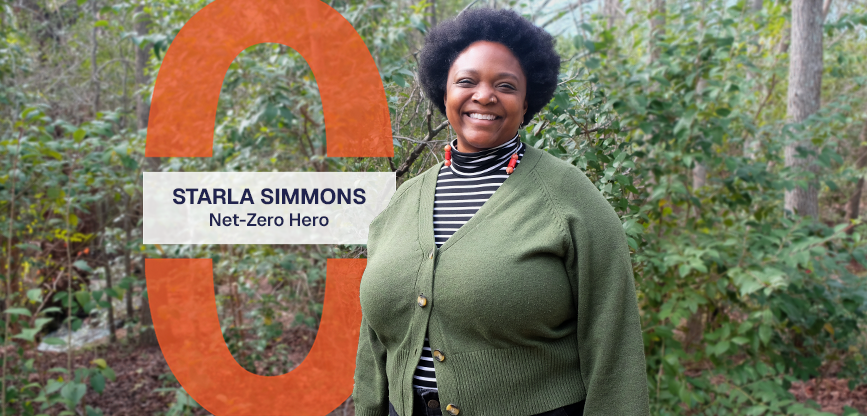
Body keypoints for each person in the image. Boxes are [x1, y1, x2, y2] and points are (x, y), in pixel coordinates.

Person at [354, 7, 650, 416]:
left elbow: (614, 341)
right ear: (445, 92)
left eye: (505, 85)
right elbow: (374, 339)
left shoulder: (567, 197)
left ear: (527, 101)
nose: (484, 95)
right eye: (467, 81)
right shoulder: (404, 202)